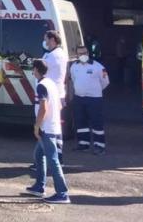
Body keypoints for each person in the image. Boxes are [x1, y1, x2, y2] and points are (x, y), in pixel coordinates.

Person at [24, 59, 70, 204]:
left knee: (53, 160)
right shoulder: (50, 83)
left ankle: (62, 193)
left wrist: (37, 126)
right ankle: (39, 186)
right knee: (38, 155)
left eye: (33, 69)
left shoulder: (41, 86)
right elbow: (58, 106)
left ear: (36, 70)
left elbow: (43, 108)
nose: (32, 71)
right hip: (52, 126)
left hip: (47, 128)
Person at [70, 45, 109, 155]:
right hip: (79, 98)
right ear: (77, 55)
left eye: (85, 53)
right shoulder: (74, 66)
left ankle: (99, 146)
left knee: (97, 123)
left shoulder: (98, 67)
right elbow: (73, 79)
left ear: (88, 53)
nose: (83, 55)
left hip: (94, 99)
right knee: (80, 121)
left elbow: (105, 82)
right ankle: (83, 144)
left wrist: (93, 90)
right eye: (80, 53)